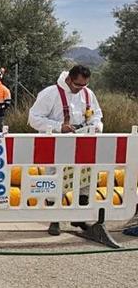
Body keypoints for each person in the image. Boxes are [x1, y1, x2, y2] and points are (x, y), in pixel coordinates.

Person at [28, 64, 103, 236]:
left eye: (84, 85)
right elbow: (34, 119)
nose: (81, 89)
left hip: (82, 144)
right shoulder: (50, 93)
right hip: (56, 145)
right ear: (69, 79)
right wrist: (58, 127)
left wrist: (96, 125)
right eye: (77, 85)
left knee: (86, 179)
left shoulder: (87, 93)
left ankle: (79, 217)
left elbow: (97, 114)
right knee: (55, 181)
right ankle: (55, 220)